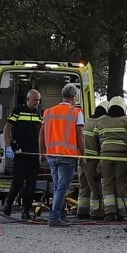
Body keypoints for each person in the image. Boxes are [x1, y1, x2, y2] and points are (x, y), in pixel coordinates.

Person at [40, 83, 86, 227]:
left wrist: (41, 152)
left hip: (51, 155)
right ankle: (54, 217)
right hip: (67, 156)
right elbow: (80, 136)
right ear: (73, 97)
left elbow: (41, 134)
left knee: (57, 186)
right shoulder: (76, 113)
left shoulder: (48, 112)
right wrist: (82, 155)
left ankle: (61, 215)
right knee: (62, 188)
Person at [0, 88, 42, 217]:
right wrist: (8, 146)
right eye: (35, 100)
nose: (37, 103)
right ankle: (8, 204)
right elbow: (7, 128)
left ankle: (26, 210)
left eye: (39, 100)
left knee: (32, 184)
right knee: (17, 181)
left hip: (34, 153)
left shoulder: (38, 113)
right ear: (28, 99)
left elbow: (42, 134)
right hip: (20, 152)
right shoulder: (18, 111)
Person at [96, 98, 127, 222]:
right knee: (121, 183)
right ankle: (122, 213)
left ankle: (110, 213)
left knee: (107, 183)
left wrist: (100, 153)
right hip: (122, 157)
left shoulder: (101, 121)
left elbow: (95, 139)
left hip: (105, 156)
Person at [79, 103, 107, 219]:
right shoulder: (99, 123)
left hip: (82, 160)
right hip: (92, 160)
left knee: (84, 186)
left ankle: (82, 211)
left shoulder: (87, 121)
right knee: (96, 188)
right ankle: (97, 213)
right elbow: (100, 144)